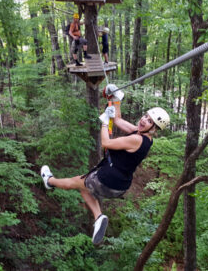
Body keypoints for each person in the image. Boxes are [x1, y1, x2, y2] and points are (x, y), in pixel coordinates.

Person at [41, 84, 170, 245]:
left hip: (107, 179)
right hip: (120, 185)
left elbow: (106, 143)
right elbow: (118, 119)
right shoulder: (144, 137)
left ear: (154, 129)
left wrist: (104, 122)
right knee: (83, 188)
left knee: (75, 182)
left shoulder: (136, 139)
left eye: (149, 121)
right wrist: (116, 99)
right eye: (145, 116)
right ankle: (98, 217)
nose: (144, 120)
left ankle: (49, 181)